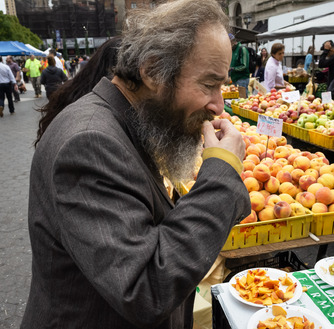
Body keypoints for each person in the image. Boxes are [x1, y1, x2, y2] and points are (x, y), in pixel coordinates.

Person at [22, 2, 251, 329]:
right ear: (153, 70)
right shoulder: (89, 142)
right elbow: (145, 289)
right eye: (208, 84)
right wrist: (222, 172)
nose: (218, 106)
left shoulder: (125, 124)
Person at [35, 36, 122, 146]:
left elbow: (43, 81)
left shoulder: (71, 93)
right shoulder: (92, 125)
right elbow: (64, 77)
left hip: (51, 90)